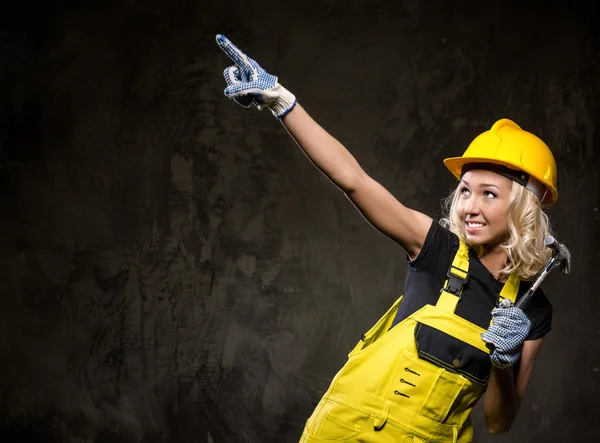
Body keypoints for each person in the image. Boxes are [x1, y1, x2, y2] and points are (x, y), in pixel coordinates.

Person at [215, 34, 557, 442]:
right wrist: (281, 101)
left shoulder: (531, 310)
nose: (469, 206)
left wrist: (504, 361)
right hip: (343, 431)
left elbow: (500, 422)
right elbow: (353, 179)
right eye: (465, 190)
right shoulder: (436, 248)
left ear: (524, 208)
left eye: (489, 194)